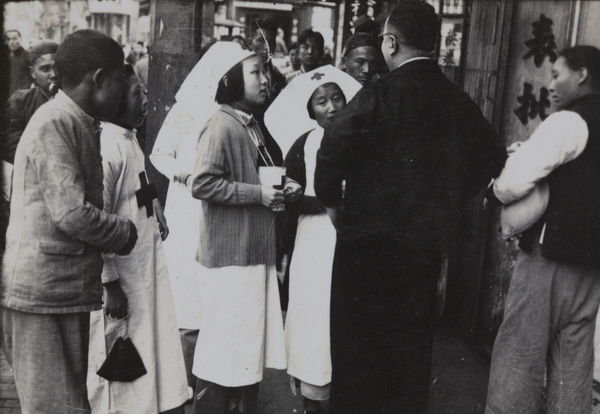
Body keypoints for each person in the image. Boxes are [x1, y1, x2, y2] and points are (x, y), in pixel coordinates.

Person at [313, 2, 507, 412]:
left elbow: (332, 148)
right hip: (423, 247)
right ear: (435, 45)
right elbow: (493, 155)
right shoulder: (456, 99)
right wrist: (451, 195)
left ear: (390, 42)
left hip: (364, 244)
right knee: (409, 356)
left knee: (357, 355)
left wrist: (334, 205)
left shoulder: (379, 94)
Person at [0, 29, 138, 414]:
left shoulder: (78, 121)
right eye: (119, 81)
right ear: (98, 80)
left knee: (70, 405)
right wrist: (123, 232)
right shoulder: (56, 122)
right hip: (38, 296)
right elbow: (72, 212)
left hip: (61, 293)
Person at [484, 45, 600, 414]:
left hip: (549, 257)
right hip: (592, 262)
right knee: (573, 360)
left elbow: (517, 178)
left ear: (581, 75)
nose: (551, 83)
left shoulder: (569, 120)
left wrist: (493, 192)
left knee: (520, 351)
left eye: (557, 74)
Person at [187, 41, 301, 414]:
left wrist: (281, 190)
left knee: (244, 348)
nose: (266, 79)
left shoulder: (248, 125)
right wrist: (259, 194)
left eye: (265, 72)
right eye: (255, 72)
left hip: (250, 251)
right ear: (231, 80)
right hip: (231, 257)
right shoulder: (221, 125)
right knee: (225, 351)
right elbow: (202, 183)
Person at [86, 65, 188, 414]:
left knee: (148, 352)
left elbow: (136, 187)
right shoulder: (107, 147)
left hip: (144, 272)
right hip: (122, 280)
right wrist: (109, 281)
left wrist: (154, 202)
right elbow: (97, 220)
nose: (146, 100)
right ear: (114, 99)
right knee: (120, 364)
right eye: (136, 93)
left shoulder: (128, 139)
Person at [266, 65, 362, 414]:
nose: (332, 106)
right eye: (321, 101)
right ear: (311, 111)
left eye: (337, 97)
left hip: (349, 235)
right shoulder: (303, 145)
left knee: (346, 317)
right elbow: (290, 195)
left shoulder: (362, 137)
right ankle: (312, 400)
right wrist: (318, 198)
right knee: (314, 318)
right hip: (313, 240)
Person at [5, 30, 32, 95]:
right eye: (8, 39)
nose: (11, 42)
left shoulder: (28, 55)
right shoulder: (9, 57)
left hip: (25, 95)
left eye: (14, 39)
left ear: (20, 39)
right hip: (11, 96)